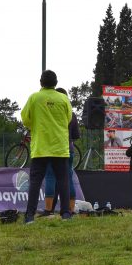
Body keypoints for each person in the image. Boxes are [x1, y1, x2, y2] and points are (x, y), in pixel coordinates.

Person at [21, 70, 72, 224]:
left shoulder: (34, 98)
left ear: (40, 82)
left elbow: (25, 118)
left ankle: (30, 216)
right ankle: (66, 214)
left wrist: (34, 125)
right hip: (59, 146)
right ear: (56, 83)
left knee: (35, 182)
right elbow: (68, 118)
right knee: (63, 180)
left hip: (41, 147)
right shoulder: (63, 99)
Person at [42, 87, 81, 216]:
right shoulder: (72, 114)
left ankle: (48, 210)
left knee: (50, 177)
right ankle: (71, 209)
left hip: (50, 148)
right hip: (68, 148)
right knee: (68, 177)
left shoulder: (49, 112)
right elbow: (76, 135)